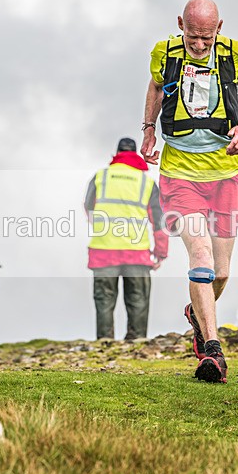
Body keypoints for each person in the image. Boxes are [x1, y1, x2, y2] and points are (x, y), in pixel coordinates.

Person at [140, 0, 238, 383]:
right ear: (180, 23)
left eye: (206, 37)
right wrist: (148, 129)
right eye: (192, 35)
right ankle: (212, 351)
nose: (198, 45)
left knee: (220, 272)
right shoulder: (163, 52)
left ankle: (196, 313)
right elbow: (155, 86)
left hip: (227, 174)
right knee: (199, 255)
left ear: (219, 28)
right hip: (180, 173)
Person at [84, 137, 168, 340]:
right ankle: (136, 345)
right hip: (137, 253)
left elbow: (89, 208)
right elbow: (159, 222)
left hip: (103, 251)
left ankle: (104, 345)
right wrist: (161, 253)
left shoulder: (100, 177)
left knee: (104, 301)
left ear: (117, 153)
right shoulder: (146, 183)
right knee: (138, 300)